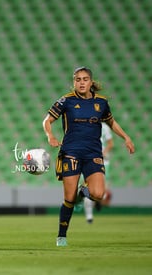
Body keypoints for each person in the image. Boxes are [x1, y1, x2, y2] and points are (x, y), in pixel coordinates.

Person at [42, 67, 135, 247]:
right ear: (74, 82)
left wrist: (126, 137)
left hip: (93, 154)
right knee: (69, 199)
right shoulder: (66, 101)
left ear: (91, 82)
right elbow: (47, 120)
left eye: (85, 79)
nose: (81, 82)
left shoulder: (101, 102)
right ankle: (61, 236)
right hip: (70, 152)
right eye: (78, 79)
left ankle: (82, 192)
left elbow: (111, 122)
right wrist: (50, 136)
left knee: (98, 194)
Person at [83, 122, 114, 224]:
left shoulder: (104, 127)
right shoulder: (84, 125)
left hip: (103, 162)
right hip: (88, 160)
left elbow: (110, 144)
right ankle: (89, 216)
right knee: (87, 188)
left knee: (101, 192)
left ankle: (98, 200)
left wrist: (103, 153)